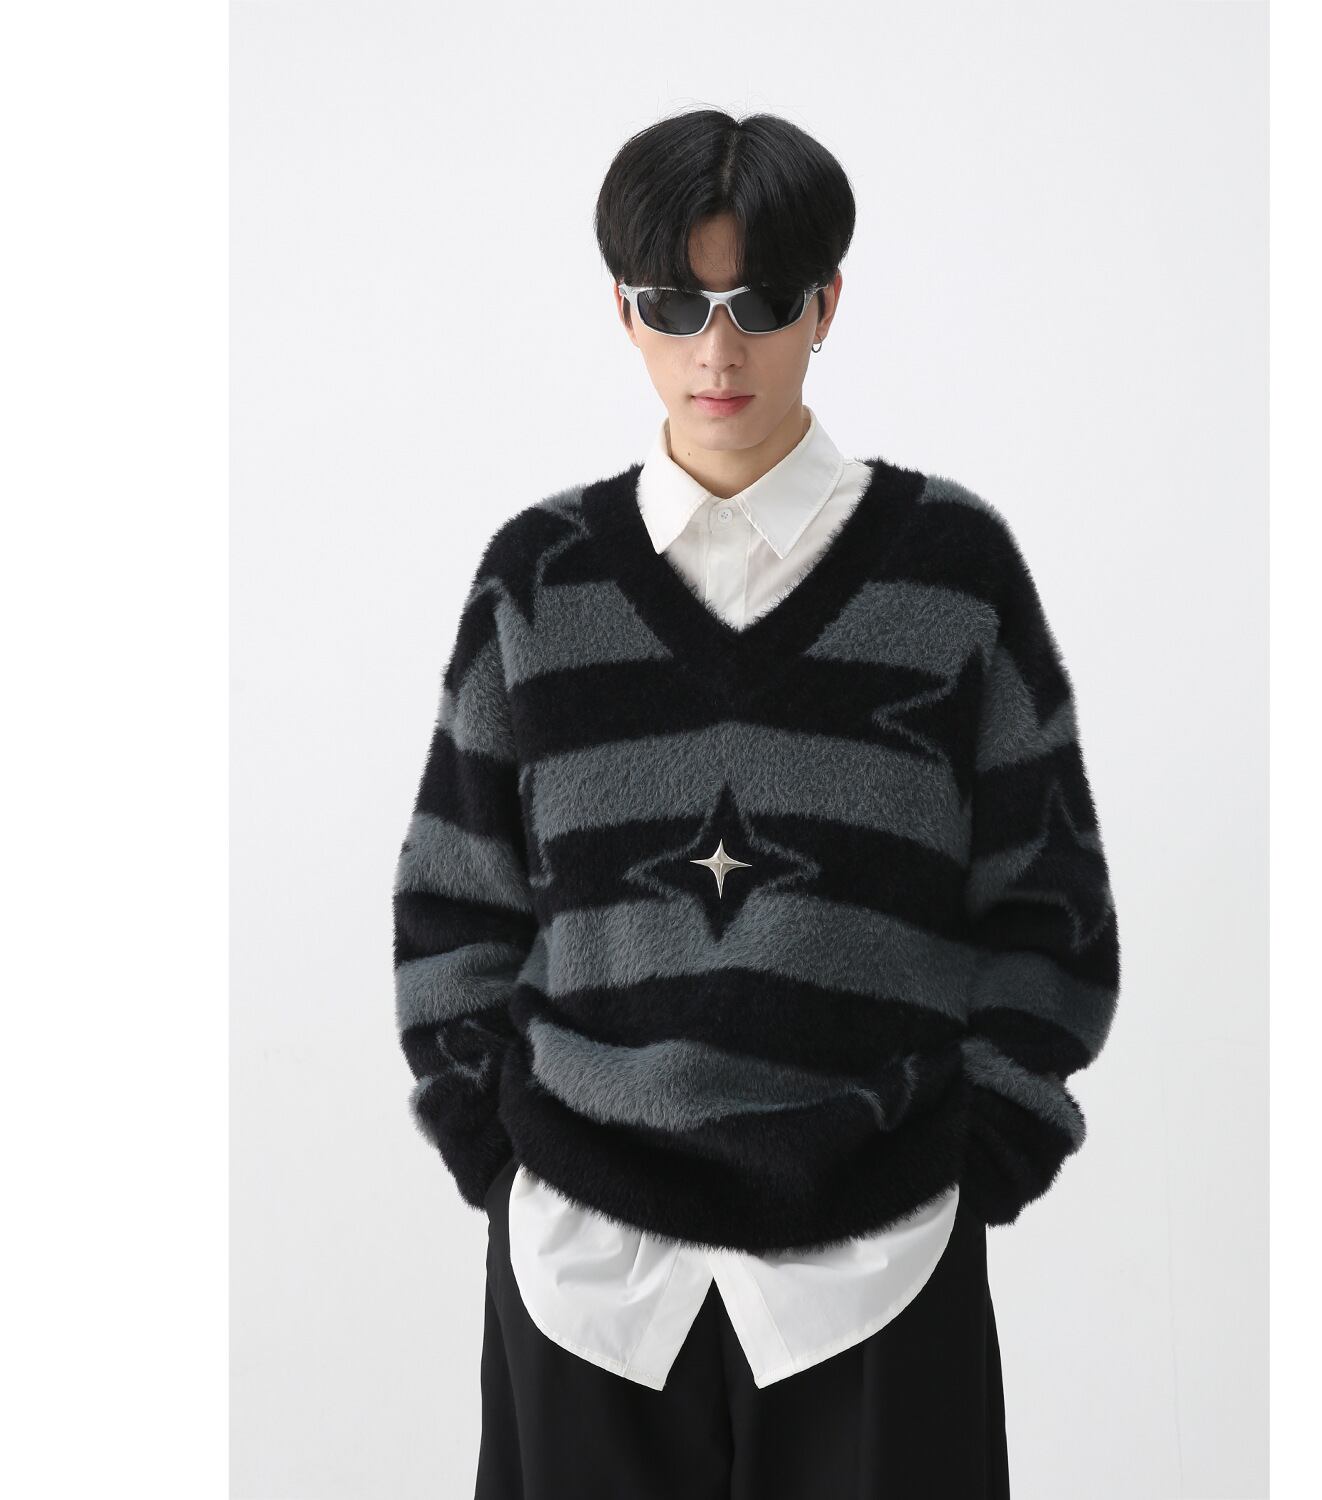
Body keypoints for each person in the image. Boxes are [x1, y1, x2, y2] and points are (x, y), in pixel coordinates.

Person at [392, 108, 1121, 1500]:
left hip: (882, 1262)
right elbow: (455, 901)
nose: (716, 351)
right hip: (585, 1277)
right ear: (624, 310)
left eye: (762, 303)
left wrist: (983, 1146)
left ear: (827, 305)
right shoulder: (539, 581)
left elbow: (1049, 901)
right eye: (676, 304)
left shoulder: (949, 574)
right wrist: (500, 1154)